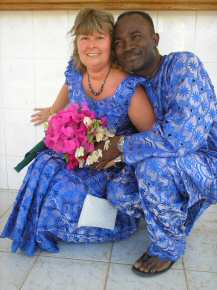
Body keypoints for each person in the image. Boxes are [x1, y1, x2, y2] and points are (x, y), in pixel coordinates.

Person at [0, 9, 155, 256]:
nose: (91, 45)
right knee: (43, 164)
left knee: (64, 187)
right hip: (80, 155)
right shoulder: (76, 71)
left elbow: (152, 137)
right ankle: (37, 229)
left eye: (99, 37)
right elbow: (68, 87)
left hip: (113, 163)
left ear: (111, 43)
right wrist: (53, 110)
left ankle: (77, 227)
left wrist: (115, 152)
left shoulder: (129, 88)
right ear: (76, 43)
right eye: (84, 37)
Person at [93, 11, 217, 276]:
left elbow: (180, 138)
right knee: (118, 191)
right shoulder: (134, 83)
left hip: (209, 160)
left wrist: (122, 146)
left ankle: (167, 247)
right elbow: (124, 131)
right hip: (170, 162)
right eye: (119, 42)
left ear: (155, 39)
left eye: (135, 37)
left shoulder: (183, 65)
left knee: (152, 168)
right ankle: (175, 214)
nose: (126, 47)